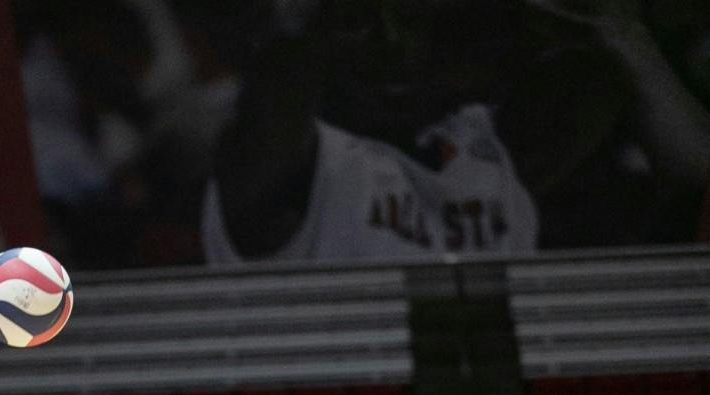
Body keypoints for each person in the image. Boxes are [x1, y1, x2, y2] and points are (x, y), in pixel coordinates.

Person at [201, 0, 539, 268]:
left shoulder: (478, 135)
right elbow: (273, 132)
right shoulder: (307, 163)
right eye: (355, 21)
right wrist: (294, 27)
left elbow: (583, 72)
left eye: (407, 16)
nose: (391, 41)